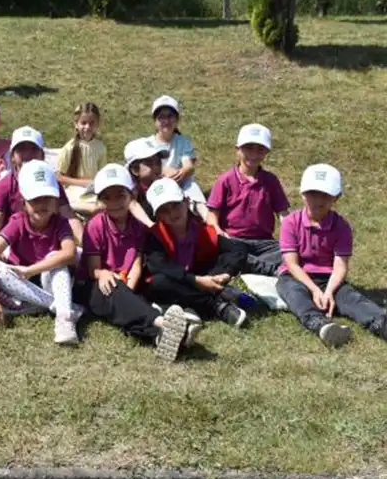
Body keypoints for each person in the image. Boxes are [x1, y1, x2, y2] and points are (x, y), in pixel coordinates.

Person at [76, 164, 201, 361]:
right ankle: (162, 322)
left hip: (126, 284)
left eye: (120, 195)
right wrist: (104, 274)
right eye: (107, 197)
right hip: (96, 285)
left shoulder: (138, 226)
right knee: (116, 293)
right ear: (100, 200)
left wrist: (128, 290)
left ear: (132, 194)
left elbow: (136, 261)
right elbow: (93, 269)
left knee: (126, 309)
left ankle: (159, 336)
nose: (114, 202)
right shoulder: (95, 225)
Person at [276, 164, 387, 347]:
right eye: (312, 193)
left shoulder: (341, 226)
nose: (318, 200)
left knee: (352, 298)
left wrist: (328, 291)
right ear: (303, 194)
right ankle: (318, 323)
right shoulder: (290, 222)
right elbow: (292, 264)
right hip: (296, 276)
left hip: (329, 279)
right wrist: (314, 290)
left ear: (336, 197)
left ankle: (380, 323)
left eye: (325, 195)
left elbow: (340, 265)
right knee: (291, 291)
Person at [0, 160, 82, 344]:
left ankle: (64, 320)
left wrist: (31, 270)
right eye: (35, 199)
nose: (42, 204)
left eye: (47, 198)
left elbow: (69, 252)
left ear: (56, 201)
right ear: (24, 202)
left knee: (57, 259)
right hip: (22, 281)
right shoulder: (17, 222)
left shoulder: (60, 223)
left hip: (47, 277)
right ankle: (63, 307)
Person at [142, 178, 249, 327]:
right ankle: (216, 305)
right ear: (158, 215)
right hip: (176, 282)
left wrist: (226, 273)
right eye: (164, 210)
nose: (172, 213)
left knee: (224, 257)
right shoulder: (153, 236)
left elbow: (238, 249)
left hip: (199, 275)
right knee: (159, 282)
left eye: (175, 205)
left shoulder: (201, 230)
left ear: (186, 202)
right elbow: (159, 266)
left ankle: (207, 295)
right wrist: (196, 281)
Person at [206, 124, 290, 276]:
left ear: (266, 152)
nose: (254, 154)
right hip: (234, 239)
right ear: (238, 150)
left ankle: (251, 265)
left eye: (260, 150)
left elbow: (283, 213)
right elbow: (212, 214)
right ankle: (269, 268)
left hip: (264, 243)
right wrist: (218, 231)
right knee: (227, 251)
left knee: (289, 251)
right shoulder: (225, 180)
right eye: (249, 148)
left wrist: (292, 233)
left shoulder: (270, 180)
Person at [0, 126, 83, 248]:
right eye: (21, 149)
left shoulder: (50, 182)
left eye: (33, 149)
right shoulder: (4, 185)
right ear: (12, 157)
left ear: (42, 155)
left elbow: (68, 214)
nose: (27, 154)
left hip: (48, 241)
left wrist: (84, 243)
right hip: (15, 242)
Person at [147, 95, 208, 219]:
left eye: (170, 116)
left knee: (191, 185)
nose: (166, 121)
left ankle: (207, 218)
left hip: (179, 181)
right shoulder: (148, 144)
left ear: (177, 119)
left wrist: (183, 172)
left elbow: (188, 165)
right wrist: (163, 172)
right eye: (161, 117)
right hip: (158, 183)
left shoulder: (182, 141)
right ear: (155, 121)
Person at [55, 103, 107, 215]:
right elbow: (59, 177)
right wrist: (83, 183)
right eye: (83, 123)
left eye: (91, 123)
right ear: (76, 124)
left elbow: (102, 175)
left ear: (97, 124)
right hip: (73, 191)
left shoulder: (100, 148)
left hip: (93, 192)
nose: (87, 127)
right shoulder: (69, 148)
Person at [123, 137, 169, 227]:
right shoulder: (131, 193)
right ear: (135, 169)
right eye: (149, 163)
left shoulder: (165, 185)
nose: (156, 167)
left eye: (158, 162)